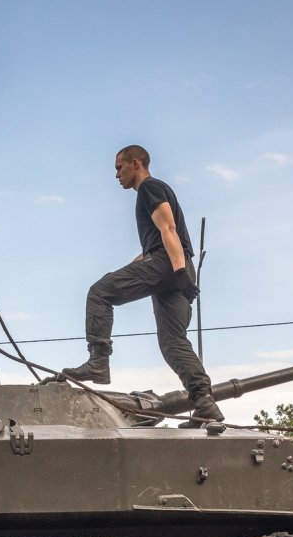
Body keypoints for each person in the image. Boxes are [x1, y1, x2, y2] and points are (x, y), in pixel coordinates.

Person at [60, 144, 225, 427]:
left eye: (119, 167)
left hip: (169, 265)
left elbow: (168, 229)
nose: (116, 175)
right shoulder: (155, 191)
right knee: (173, 343)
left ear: (136, 164)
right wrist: (178, 272)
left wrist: (177, 270)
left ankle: (98, 361)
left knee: (99, 292)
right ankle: (205, 404)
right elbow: (153, 246)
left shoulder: (150, 188)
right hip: (174, 267)